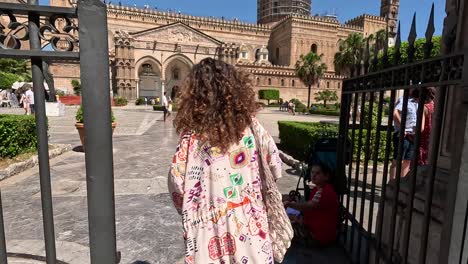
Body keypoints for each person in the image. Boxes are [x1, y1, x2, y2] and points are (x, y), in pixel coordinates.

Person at [168, 58, 282, 263]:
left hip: (207, 232)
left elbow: (177, 183)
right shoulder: (252, 127)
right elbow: (274, 166)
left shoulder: (191, 136)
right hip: (251, 229)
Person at [390, 89, 424, 180]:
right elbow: (395, 113)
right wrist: (402, 127)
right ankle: (392, 183)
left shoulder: (418, 102)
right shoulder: (404, 100)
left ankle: (401, 183)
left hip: (413, 135)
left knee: (407, 161)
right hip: (403, 135)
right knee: (398, 160)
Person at [418, 87, 436, 165]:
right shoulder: (437, 106)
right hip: (432, 137)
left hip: (423, 138)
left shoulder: (424, 107)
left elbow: (421, 128)